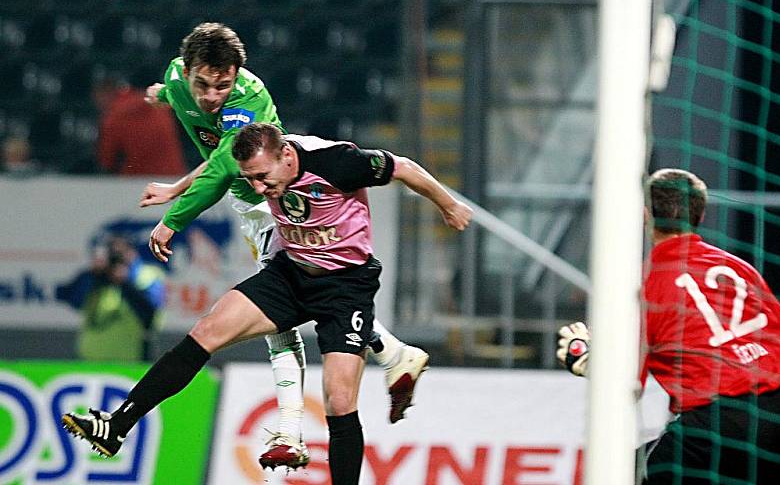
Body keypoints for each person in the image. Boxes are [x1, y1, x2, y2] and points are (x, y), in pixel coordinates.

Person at [63, 123, 473, 484]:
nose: (258, 189)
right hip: (290, 275)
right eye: (251, 179)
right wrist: (175, 193)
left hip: (346, 286)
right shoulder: (261, 166)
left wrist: (447, 204)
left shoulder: (338, 162)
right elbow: (217, 167)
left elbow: (403, 167)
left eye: (262, 177)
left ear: (287, 155)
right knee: (204, 332)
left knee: (339, 398)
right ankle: (116, 426)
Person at [133, 22, 430, 468]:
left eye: (223, 85)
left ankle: (290, 432)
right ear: (188, 71)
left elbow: (222, 167)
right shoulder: (178, 78)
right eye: (203, 84)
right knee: (303, 299)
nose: (213, 96)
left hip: (271, 203)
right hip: (250, 205)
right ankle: (394, 353)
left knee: (283, 313)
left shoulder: (245, 103)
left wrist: (175, 206)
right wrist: (163, 93)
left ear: (236, 77)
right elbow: (214, 151)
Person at [557, 168, 780, 483]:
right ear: (700, 214)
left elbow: (627, 385)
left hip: (712, 428)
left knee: (618, 474)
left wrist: (589, 361)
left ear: (645, 214)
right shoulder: (739, 268)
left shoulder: (645, 285)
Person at [55, 234, 166, 361]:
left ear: (133, 252)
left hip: (130, 359)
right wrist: (92, 275)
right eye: (112, 253)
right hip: (90, 358)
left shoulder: (146, 275)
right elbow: (72, 299)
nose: (116, 259)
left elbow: (150, 314)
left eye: (120, 253)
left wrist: (125, 283)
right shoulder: (96, 277)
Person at [94, 77, 187, 176]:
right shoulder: (160, 104)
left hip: (135, 182)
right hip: (173, 177)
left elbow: (106, 160)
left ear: (105, 91)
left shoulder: (115, 116)